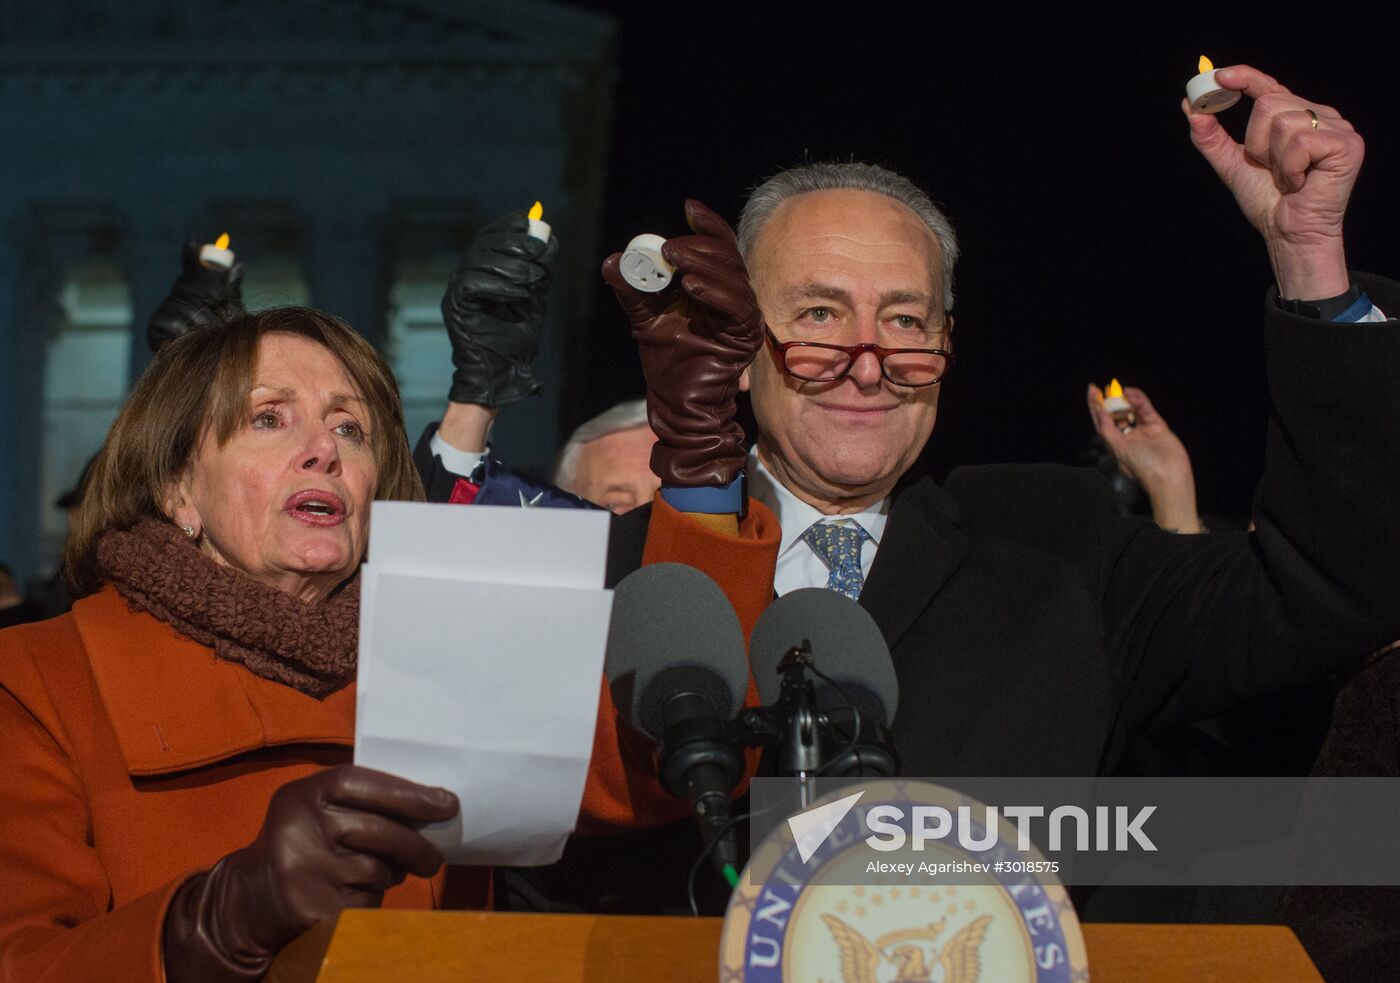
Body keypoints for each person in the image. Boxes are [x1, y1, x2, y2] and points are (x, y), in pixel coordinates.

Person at [598, 63, 1399, 787]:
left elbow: (1329, 588)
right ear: (736, 348)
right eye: (819, 314)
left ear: (947, 341)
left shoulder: (1061, 540)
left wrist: (1310, 259)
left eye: (907, 321)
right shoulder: (619, 572)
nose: (868, 364)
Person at [0, 306, 778, 980]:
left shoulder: (450, 645)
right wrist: (222, 916)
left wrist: (700, 459)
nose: (324, 450)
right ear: (177, 488)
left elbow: (674, 753)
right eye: (269, 418)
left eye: (351, 427)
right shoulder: (40, 680)